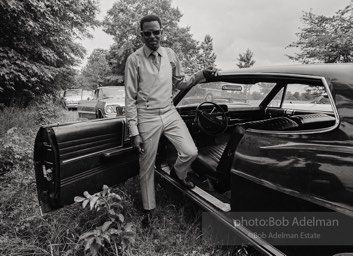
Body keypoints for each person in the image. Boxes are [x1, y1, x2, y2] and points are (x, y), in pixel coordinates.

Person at [124, 14, 216, 226]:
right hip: (146, 115)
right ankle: (149, 211)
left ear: (162, 32)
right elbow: (129, 98)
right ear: (141, 35)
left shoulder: (170, 54)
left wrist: (201, 74)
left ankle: (179, 174)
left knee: (190, 151)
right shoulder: (134, 60)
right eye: (147, 33)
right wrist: (134, 131)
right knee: (146, 166)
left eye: (156, 32)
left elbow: (181, 84)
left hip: (169, 111)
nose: (152, 37)